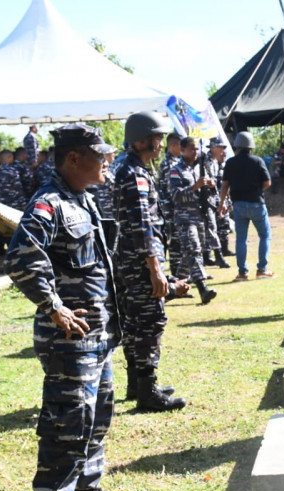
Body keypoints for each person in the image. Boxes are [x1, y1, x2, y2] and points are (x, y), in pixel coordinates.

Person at [4, 124, 131, 491]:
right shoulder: (49, 203)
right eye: (100, 155)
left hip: (97, 336)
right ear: (74, 158)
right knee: (68, 422)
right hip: (69, 338)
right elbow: (22, 257)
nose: (107, 161)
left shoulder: (83, 199)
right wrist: (53, 306)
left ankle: (85, 489)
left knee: (97, 416)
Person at [114, 111, 187, 412]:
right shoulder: (134, 174)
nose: (160, 144)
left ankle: (137, 382)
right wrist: (156, 269)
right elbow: (142, 226)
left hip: (128, 261)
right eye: (157, 138)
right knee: (149, 322)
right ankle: (147, 391)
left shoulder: (126, 167)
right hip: (140, 262)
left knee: (132, 323)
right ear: (141, 140)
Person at [219, 131, 275, 281]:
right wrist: (257, 190)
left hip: (238, 205)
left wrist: (221, 203)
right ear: (251, 146)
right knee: (264, 235)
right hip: (256, 203)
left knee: (241, 239)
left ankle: (242, 273)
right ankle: (262, 270)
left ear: (236, 145)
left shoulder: (230, 162)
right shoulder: (258, 161)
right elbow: (267, 182)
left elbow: (225, 186)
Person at [168, 136, 218, 304]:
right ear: (182, 150)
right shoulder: (176, 170)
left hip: (200, 216)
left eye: (197, 148)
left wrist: (211, 186)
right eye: (191, 149)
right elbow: (175, 195)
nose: (195, 152)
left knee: (189, 254)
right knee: (194, 250)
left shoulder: (202, 167)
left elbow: (211, 194)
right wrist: (194, 187)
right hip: (184, 217)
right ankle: (203, 288)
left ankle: (173, 288)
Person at [200, 138, 230, 269]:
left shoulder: (215, 162)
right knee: (211, 228)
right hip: (205, 200)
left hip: (212, 199)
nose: (222, 150)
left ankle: (207, 256)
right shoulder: (204, 161)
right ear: (212, 148)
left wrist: (221, 201)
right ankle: (218, 257)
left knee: (211, 228)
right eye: (220, 147)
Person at [157, 132, 182, 276]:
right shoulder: (168, 164)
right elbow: (170, 189)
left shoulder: (176, 162)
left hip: (174, 207)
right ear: (172, 146)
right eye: (180, 145)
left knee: (178, 241)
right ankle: (176, 273)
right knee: (174, 242)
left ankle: (180, 273)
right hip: (170, 208)